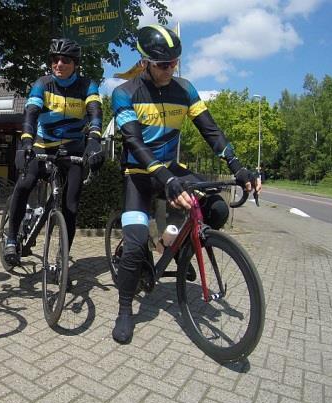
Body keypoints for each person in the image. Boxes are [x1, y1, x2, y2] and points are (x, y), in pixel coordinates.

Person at [110, 24, 261, 344]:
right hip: (139, 174)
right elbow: (135, 143)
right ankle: (125, 309)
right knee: (136, 244)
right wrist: (166, 181)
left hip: (171, 168)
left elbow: (211, 130)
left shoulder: (185, 89)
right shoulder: (124, 93)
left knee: (215, 208)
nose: (171, 69)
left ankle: (176, 248)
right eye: (164, 64)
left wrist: (238, 166)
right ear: (145, 62)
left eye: (175, 62)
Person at [3, 38, 104, 265]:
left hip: (73, 149)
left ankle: (63, 256)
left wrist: (95, 140)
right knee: (25, 184)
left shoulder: (88, 85)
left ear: (75, 64)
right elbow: (31, 113)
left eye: (65, 60)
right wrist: (27, 142)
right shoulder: (43, 83)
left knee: (71, 206)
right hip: (43, 144)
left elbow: (95, 112)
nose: (58, 64)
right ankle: (11, 238)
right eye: (54, 60)